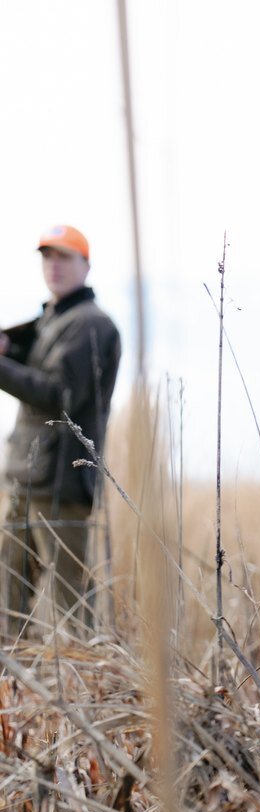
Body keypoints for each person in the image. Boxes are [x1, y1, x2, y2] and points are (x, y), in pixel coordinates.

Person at [0, 225, 121, 639]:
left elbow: (59, 394)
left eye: (64, 257)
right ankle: (13, 689)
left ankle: (93, 688)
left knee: (71, 603)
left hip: (62, 484)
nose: (54, 266)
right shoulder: (52, 319)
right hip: (27, 476)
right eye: (48, 257)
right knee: (8, 594)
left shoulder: (91, 324)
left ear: (85, 266)